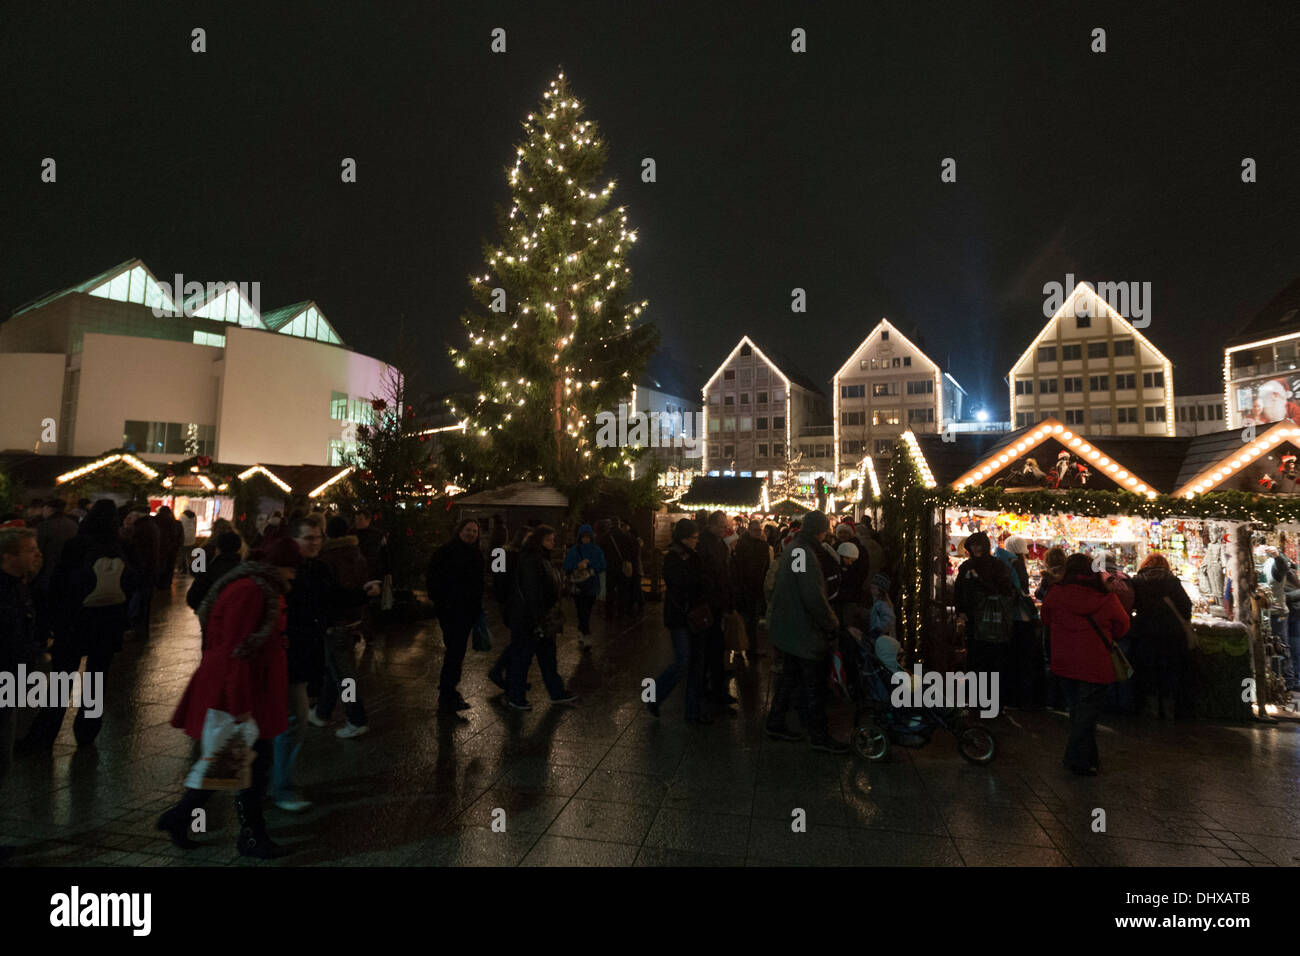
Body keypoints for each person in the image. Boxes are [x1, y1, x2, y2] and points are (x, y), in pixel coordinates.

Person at [158, 536, 302, 858]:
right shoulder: (252, 590)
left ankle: (182, 818)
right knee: (247, 766)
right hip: (242, 694)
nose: (295, 574)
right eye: (293, 567)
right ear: (279, 565)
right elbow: (236, 650)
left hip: (252, 691)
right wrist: (240, 707)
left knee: (235, 765)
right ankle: (250, 835)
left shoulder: (260, 586)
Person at [21, 500, 134, 751]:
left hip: (75, 621)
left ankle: (45, 735)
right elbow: (130, 582)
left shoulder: (78, 544)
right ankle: (87, 731)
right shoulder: (121, 547)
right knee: (97, 678)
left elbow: (59, 584)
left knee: (62, 678)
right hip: (108, 623)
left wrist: (52, 620)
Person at [1041, 553, 1130, 776]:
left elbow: (1045, 618)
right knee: (1085, 714)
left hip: (1064, 662)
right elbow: (1123, 625)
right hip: (1095, 663)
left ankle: (1089, 758)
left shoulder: (1056, 593)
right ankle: (1078, 760)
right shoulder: (1105, 597)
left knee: (1078, 712)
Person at [765, 511, 846, 753]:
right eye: (825, 531)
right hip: (802, 628)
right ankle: (818, 734)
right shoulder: (802, 552)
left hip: (791, 626)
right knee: (814, 684)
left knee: (789, 677)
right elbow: (811, 593)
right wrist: (831, 622)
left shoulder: (795, 548)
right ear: (818, 531)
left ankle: (775, 722)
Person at [271, 515, 329, 812]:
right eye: (309, 538)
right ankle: (279, 789)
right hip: (285, 659)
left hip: (297, 658)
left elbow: (327, 605)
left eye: (318, 537)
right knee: (292, 722)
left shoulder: (314, 569)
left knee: (291, 722)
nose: (315, 543)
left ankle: (274, 786)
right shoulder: (280, 576)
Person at [311, 516, 379, 737]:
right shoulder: (356, 553)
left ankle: (355, 717)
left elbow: (330, 594)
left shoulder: (326, 558)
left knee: (345, 676)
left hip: (335, 622)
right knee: (335, 670)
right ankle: (322, 712)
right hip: (353, 619)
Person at [1, 527, 43, 859]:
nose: (36, 555)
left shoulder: (20, 587)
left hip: (11, 684)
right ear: (8, 557)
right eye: (29, 550)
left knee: (3, 763)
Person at [504, 525, 577, 710]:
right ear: (539, 540)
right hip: (531, 619)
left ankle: (556, 692)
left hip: (542, 617)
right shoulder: (531, 560)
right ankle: (516, 696)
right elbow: (532, 592)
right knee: (523, 658)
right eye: (549, 539)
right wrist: (537, 620)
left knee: (547, 658)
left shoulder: (541, 558)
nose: (553, 543)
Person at [649, 519, 709, 722]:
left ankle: (692, 711)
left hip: (695, 615)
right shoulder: (674, 557)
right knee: (683, 661)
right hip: (680, 616)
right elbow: (682, 583)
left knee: (694, 663)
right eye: (693, 538)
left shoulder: (695, 556)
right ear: (684, 538)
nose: (696, 542)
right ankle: (653, 695)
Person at [426, 519, 484, 718]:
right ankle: (447, 693)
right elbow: (433, 579)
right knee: (454, 652)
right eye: (468, 530)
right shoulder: (446, 552)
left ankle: (449, 691)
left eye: (475, 531)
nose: (471, 534)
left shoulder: (476, 553)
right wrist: (444, 603)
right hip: (452, 610)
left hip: (466, 611)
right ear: (460, 531)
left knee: (456, 652)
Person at [1129, 553, 1193, 719]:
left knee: (1148, 671)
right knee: (1169, 670)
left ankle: (1152, 709)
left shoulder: (1137, 581)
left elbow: (1131, 605)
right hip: (1171, 633)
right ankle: (1169, 709)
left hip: (1145, 632)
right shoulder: (1172, 581)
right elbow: (1186, 606)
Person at [954, 531, 1014, 689]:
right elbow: (958, 590)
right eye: (973, 545)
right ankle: (977, 697)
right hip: (974, 618)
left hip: (992, 619)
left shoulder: (997, 566)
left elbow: (1005, 590)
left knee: (992, 657)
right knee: (975, 657)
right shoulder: (966, 566)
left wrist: (980, 582)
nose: (976, 548)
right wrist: (960, 611)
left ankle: (992, 697)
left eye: (979, 545)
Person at [697, 511, 738, 713]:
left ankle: (715, 688)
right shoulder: (704, 544)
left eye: (726, 525)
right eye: (722, 525)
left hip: (718, 602)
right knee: (711, 648)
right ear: (712, 525)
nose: (725, 529)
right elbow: (709, 575)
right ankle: (709, 689)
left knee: (717, 648)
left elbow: (725, 573)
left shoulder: (719, 544)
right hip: (709, 604)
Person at [488, 526, 532, 691]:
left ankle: (509, 675)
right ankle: (502, 672)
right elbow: (498, 577)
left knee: (518, 641)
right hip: (512, 603)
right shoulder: (506, 554)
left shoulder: (511, 554)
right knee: (519, 641)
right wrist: (503, 599)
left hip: (515, 602)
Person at [1035, 546, 1069, 709]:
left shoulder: (1048, 577)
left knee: (1050, 661)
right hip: (1067, 624)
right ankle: (1065, 699)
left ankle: (1051, 699)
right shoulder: (1069, 575)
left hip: (1051, 623)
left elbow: (1039, 594)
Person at [733, 519, 771, 663]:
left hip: (756, 587)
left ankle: (751, 647)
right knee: (745, 620)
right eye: (755, 530)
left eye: (759, 530)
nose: (757, 533)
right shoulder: (743, 545)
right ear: (749, 530)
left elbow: (765, 566)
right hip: (745, 588)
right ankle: (740, 647)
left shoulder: (762, 545)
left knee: (753, 620)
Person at [562, 524, 606, 649]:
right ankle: (584, 632)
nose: (585, 539)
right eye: (583, 537)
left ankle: (582, 631)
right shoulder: (575, 550)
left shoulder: (596, 550)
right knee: (581, 610)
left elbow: (602, 565)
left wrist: (589, 565)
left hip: (590, 585)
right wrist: (578, 565)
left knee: (586, 610)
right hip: (579, 586)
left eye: (588, 537)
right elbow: (567, 566)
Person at [122, 507, 160, 638]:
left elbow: (138, 552)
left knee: (138, 602)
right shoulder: (150, 525)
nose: (127, 521)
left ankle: (136, 630)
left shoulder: (141, 529)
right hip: (148, 570)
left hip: (141, 571)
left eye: (129, 518)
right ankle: (139, 630)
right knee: (142, 602)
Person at [186, 531, 244, 614]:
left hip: (213, 617)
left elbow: (193, 598)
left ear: (218, 548)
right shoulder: (243, 571)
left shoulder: (211, 570)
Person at [153, 506, 183, 589]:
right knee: (169, 568)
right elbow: (180, 539)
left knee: (158, 567)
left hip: (157, 550)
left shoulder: (154, 521)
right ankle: (166, 585)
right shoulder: (177, 523)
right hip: (171, 551)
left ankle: (157, 583)